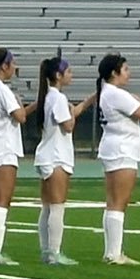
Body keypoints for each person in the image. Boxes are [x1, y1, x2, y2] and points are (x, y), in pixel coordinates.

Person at [96, 53, 140, 266]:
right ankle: (114, 253)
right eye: (125, 69)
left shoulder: (109, 93)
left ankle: (111, 251)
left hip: (114, 147)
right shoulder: (116, 93)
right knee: (119, 202)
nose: (129, 73)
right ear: (114, 72)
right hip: (122, 149)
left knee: (113, 202)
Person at [32, 57, 96, 265]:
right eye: (68, 72)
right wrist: (72, 115)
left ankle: (46, 250)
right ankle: (54, 252)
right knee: (57, 206)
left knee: (48, 206)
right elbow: (68, 125)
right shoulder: (58, 98)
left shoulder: (49, 97)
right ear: (58, 75)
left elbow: (71, 112)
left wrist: (91, 99)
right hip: (57, 156)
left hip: (47, 155)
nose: (71, 75)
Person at [0, 48, 37, 266]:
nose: (15, 66)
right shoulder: (1, 89)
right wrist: (21, 103)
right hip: (4, 147)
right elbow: (20, 116)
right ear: (4, 66)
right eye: (12, 63)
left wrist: (33, 105)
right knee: (2, 201)